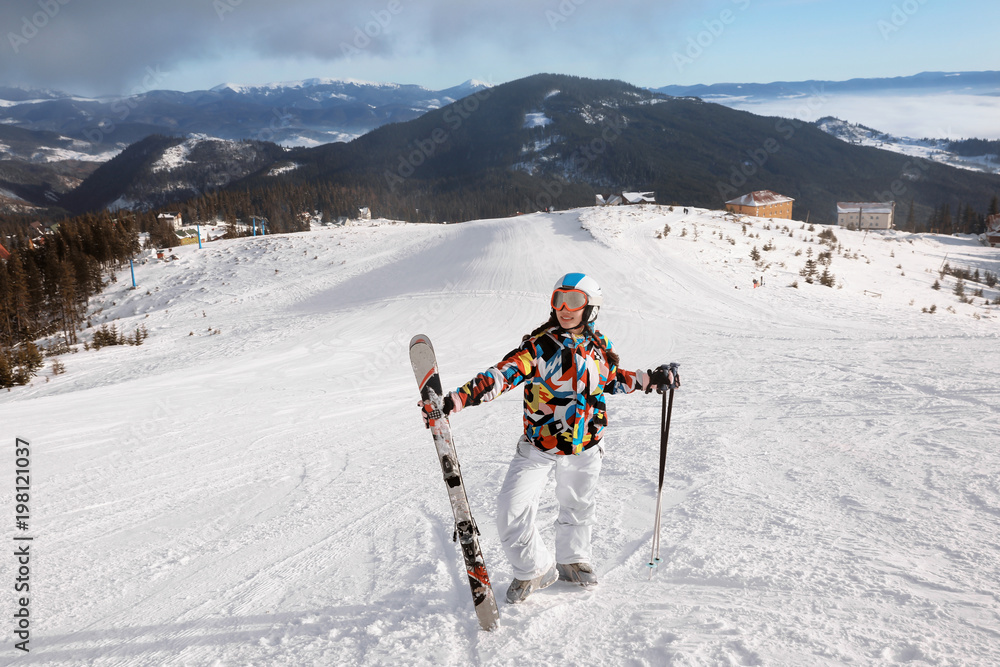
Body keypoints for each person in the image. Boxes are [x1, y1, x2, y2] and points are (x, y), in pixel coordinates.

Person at [431, 273, 679, 604]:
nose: (564, 308)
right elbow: (502, 374)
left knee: (577, 504)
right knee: (510, 507)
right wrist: (458, 399)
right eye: (558, 299)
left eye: (574, 301)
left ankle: (573, 560)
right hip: (539, 445)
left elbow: (613, 379)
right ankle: (534, 568)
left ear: (590, 307)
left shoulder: (598, 346)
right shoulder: (539, 347)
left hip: (586, 445)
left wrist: (652, 379)